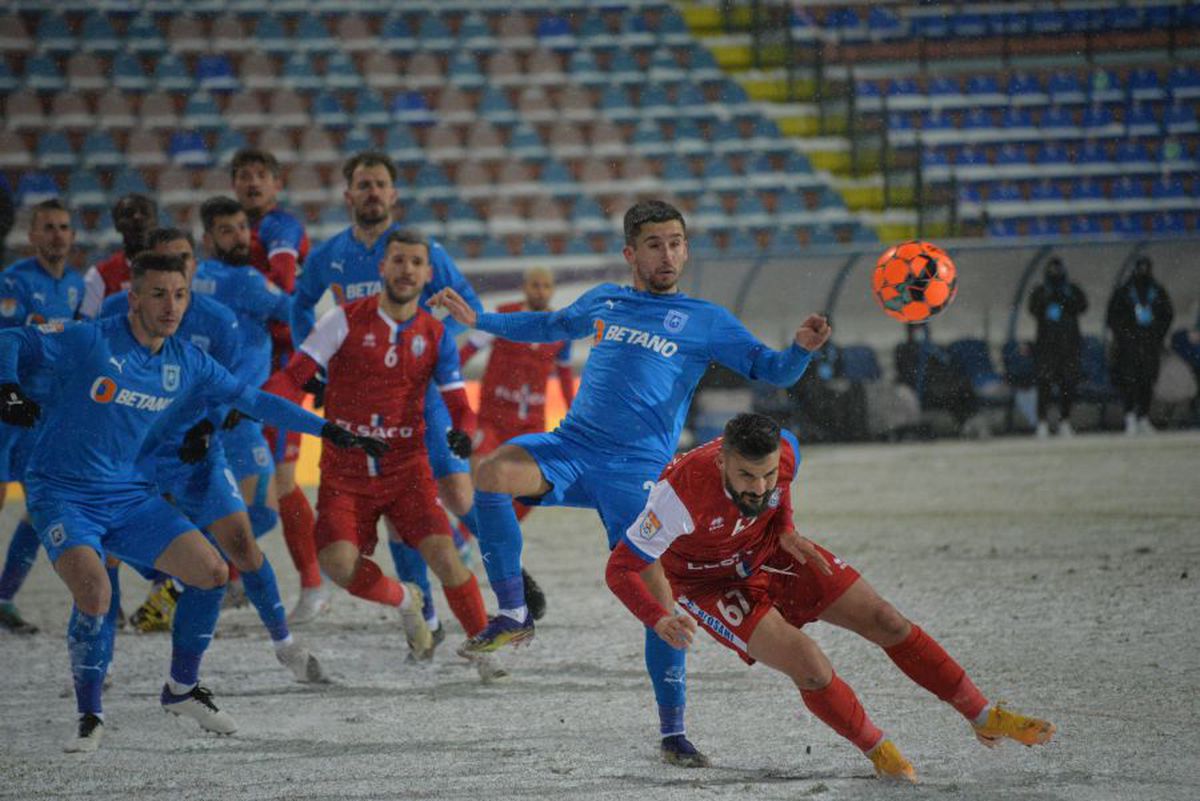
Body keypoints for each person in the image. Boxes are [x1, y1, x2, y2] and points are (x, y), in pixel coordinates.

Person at [431, 199, 832, 767]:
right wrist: (481, 320)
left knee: (660, 605)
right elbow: (547, 325)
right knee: (491, 474)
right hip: (571, 446)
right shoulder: (605, 300)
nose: (667, 255)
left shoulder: (707, 320)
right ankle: (515, 614)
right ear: (630, 253)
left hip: (638, 474)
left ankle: (673, 732)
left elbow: (772, 369)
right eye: (654, 244)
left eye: (675, 243)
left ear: (686, 248)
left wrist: (801, 351)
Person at [0, 252, 384, 752]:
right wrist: (6, 386)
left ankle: (181, 689)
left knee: (213, 573)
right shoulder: (90, 339)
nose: (171, 305)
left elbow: (256, 400)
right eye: (158, 294)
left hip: (126, 492)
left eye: (179, 294)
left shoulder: (187, 362)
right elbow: (9, 337)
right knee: (94, 593)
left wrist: (329, 429)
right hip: (61, 493)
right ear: (133, 297)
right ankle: (89, 715)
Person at [605, 413, 1056, 780]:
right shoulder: (676, 496)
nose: (758, 488)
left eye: (766, 475)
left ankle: (983, 714)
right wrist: (657, 617)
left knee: (886, 620)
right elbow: (619, 567)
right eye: (746, 476)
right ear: (721, 460)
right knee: (812, 667)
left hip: (770, 550)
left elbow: (779, 494)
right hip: (709, 585)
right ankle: (881, 753)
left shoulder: (785, 453)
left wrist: (784, 528)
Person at [288, 151, 527, 633]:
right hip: (361, 402)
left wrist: (434, 356)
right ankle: (429, 615)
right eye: (364, 184)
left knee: (458, 492)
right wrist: (312, 361)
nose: (372, 192)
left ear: (393, 195)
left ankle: (510, 581)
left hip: (423, 398)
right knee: (402, 515)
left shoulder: (423, 253)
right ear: (348, 194)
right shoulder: (329, 254)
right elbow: (299, 305)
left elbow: (472, 310)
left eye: (380, 184)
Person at [265, 229, 505, 678]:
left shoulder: (435, 335)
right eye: (398, 260)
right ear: (382, 267)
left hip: (405, 470)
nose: (406, 269)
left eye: (415, 262)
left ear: (428, 274)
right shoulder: (342, 319)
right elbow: (294, 375)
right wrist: (251, 403)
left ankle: (483, 650)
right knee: (337, 564)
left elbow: (459, 406)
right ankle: (405, 600)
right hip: (345, 471)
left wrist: (463, 433)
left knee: (445, 555)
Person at [99, 228, 327, 684]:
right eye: (163, 267)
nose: (175, 276)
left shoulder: (220, 320)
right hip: (134, 457)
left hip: (198, 448)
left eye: (182, 261)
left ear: (194, 266)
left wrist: (207, 424)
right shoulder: (110, 318)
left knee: (242, 542)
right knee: (107, 556)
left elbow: (233, 386)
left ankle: (284, 643)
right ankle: (100, 660)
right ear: (140, 284)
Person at [230, 148, 319, 623]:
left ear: (275, 185)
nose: (251, 183)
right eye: (243, 176)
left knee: (281, 481)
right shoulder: (234, 232)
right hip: (252, 363)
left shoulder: (279, 228)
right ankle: (231, 575)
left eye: (260, 176)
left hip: (284, 365)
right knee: (247, 474)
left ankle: (310, 583)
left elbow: (283, 285)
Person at [191, 196, 292, 610]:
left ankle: (206, 576)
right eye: (227, 230)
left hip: (201, 411)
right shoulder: (248, 280)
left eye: (243, 229)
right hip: (236, 414)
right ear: (209, 238)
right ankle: (190, 573)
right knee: (264, 511)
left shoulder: (195, 278)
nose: (240, 237)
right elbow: (296, 310)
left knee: (218, 502)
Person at [0, 199, 84, 633]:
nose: (57, 235)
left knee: (38, 510)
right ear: (32, 236)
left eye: (64, 227)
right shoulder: (13, 282)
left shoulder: (76, 286)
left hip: (45, 417)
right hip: (6, 412)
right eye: (48, 227)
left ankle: (4, 598)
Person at [459, 266, 575, 526]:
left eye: (546, 286)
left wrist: (574, 413)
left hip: (531, 424)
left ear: (553, 290)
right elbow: (464, 354)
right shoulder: (501, 317)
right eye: (536, 285)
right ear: (525, 287)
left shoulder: (562, 329)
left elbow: (565, 377)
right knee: (480, 477)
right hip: (493, 418)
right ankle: (467, 539)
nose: (541, 291)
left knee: (540, 487)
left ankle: (499, 532)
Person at [1107, 256, 1174, 435]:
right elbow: (1112, 317)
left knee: (1147, 381)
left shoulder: (1158, 291)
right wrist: (1125, 336)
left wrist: (1157, 334)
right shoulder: (1124, 292)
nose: (1143, 271)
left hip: (1150, 345)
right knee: (1130, 381)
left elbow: (1167, 315)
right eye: (1140, 268)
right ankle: (1129, 417)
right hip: (1129, 346)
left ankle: (1143, 417)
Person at [1027, 256, 1088, 438]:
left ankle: (1065, 421)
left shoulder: (1071, 290)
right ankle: (1042, 422)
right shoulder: (1040, 291)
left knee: (1068, 384)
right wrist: (1047, 297)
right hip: (1046, 346)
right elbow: (1033, 309)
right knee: (1044, 384)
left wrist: (1065, 298)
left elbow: (1082, 306)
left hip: (1069, 345)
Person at [79, 194, 158, 318]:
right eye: (129, 213)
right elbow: (86, 325)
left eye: (145, 212)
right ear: (117, 225)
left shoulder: (173, 271)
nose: (137, 218)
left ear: (156, 222)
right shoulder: (99, 275)